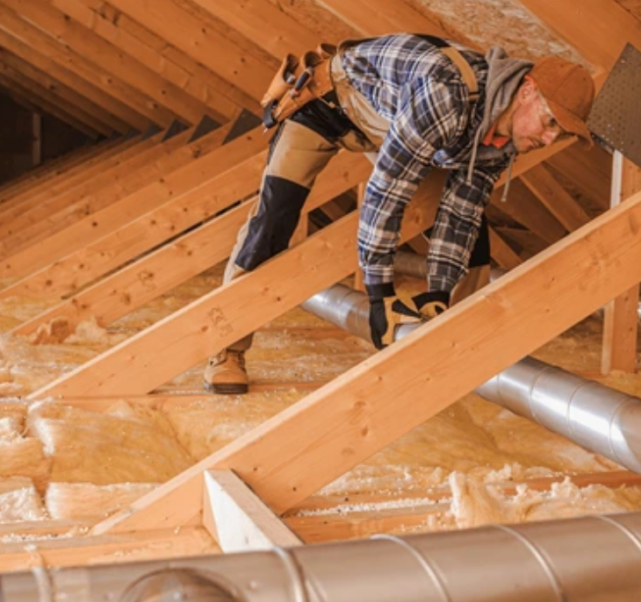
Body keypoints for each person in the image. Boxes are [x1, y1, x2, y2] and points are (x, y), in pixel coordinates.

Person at [203, 33, 595, 394]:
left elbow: (461, 212)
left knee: (473, 234)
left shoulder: (504, 136)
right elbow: (387, 190)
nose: (548, 140)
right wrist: (379, 294)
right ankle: (226, 349)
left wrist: (437, 293)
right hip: (326, 106)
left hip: (390, 124)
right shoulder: (448, 94)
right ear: (527, 91)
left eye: (558, 135)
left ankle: (452, 343)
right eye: (550, 125)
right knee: (274, 219)